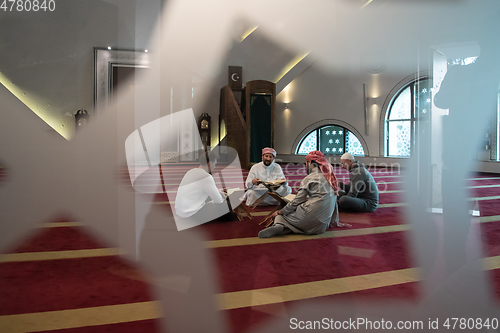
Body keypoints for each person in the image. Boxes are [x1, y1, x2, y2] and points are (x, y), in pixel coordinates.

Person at [258, 150, 339, 238]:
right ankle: (288, 228)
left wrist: (279, 212)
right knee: (297, 221)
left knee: (281, 216)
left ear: (309, 162)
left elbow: (297, 201)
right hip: (322, 225)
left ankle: (279, 225)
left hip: (309, 217)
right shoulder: (331, 178)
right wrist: (333, 220)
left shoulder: (309, 178)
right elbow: (334, 202)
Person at [174, 150, 235, 229]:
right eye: (215, 164)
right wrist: (218, 196)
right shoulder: (206, 176)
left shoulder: (191, 171)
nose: (215, 167)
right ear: (209, 164)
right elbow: (218, 201)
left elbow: (199, 189)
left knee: (213, 199)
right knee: (228, 207)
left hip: (180, 212)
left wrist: (217, 191)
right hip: (192, 215)